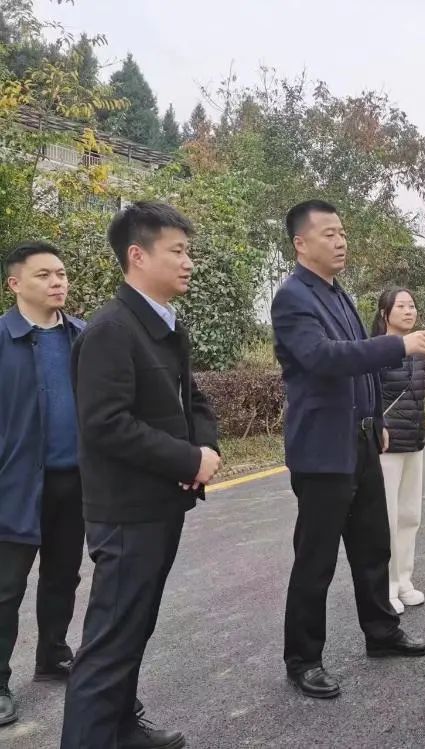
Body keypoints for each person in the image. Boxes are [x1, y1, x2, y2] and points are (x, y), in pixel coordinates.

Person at [61, 202, 222, 749]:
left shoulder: (162, 325)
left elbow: (192, 398)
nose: (188, 262)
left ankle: (121, 728)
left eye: (188, 251)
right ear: (138, 255)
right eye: (177, 251)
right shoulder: (111, 330)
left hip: (159, 505)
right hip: (125, 513)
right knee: (109, 642)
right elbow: (105, 424)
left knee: (134, 628)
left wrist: (205, 446)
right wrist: (186, 460)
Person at [272, 200, 425, 701]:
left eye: (342, 232)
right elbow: (324, 359)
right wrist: (400, 345)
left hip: (362, 440)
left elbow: (359, 368)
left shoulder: (337, 293)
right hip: (322, 450)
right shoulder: (292, 298)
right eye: (329, 234)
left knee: (373, 546)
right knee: (316, 560)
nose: (341, 241)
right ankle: (304, 659)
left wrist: (377, 421)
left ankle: (382, 633)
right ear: (301, 243)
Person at [0, 243, 85, 728]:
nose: (58, 282)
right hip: (13, 485)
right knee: (5, 587)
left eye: (62, 273)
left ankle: (53, 655)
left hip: (73, 482)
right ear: (15, 284)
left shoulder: (82, 337)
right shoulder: (3, 339)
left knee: (63, 575)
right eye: (44, 275)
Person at [370, 287, 425, 615]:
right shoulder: (376, 350)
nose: (408, 311)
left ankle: (404, 580)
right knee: (388, 519)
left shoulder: (419, 349)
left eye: (412, 305)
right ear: (385, 313)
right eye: (401, 306)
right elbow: (369, 395)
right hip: (387, 447)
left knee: (409, 516)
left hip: (414, 442)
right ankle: (388, 587)